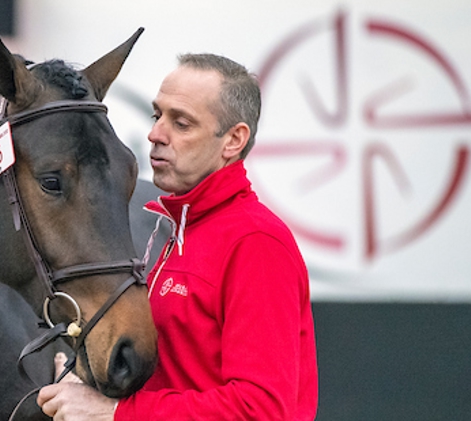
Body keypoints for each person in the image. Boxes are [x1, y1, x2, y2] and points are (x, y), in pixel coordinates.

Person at [37, 53, 318, 420]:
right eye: (157, 116)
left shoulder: (256, 241)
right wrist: (88, 384)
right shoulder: (173, 229)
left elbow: (260, 411)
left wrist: (115, 413)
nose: (155, 134)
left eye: (181, 123)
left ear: (233, 140)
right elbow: (175, 377)